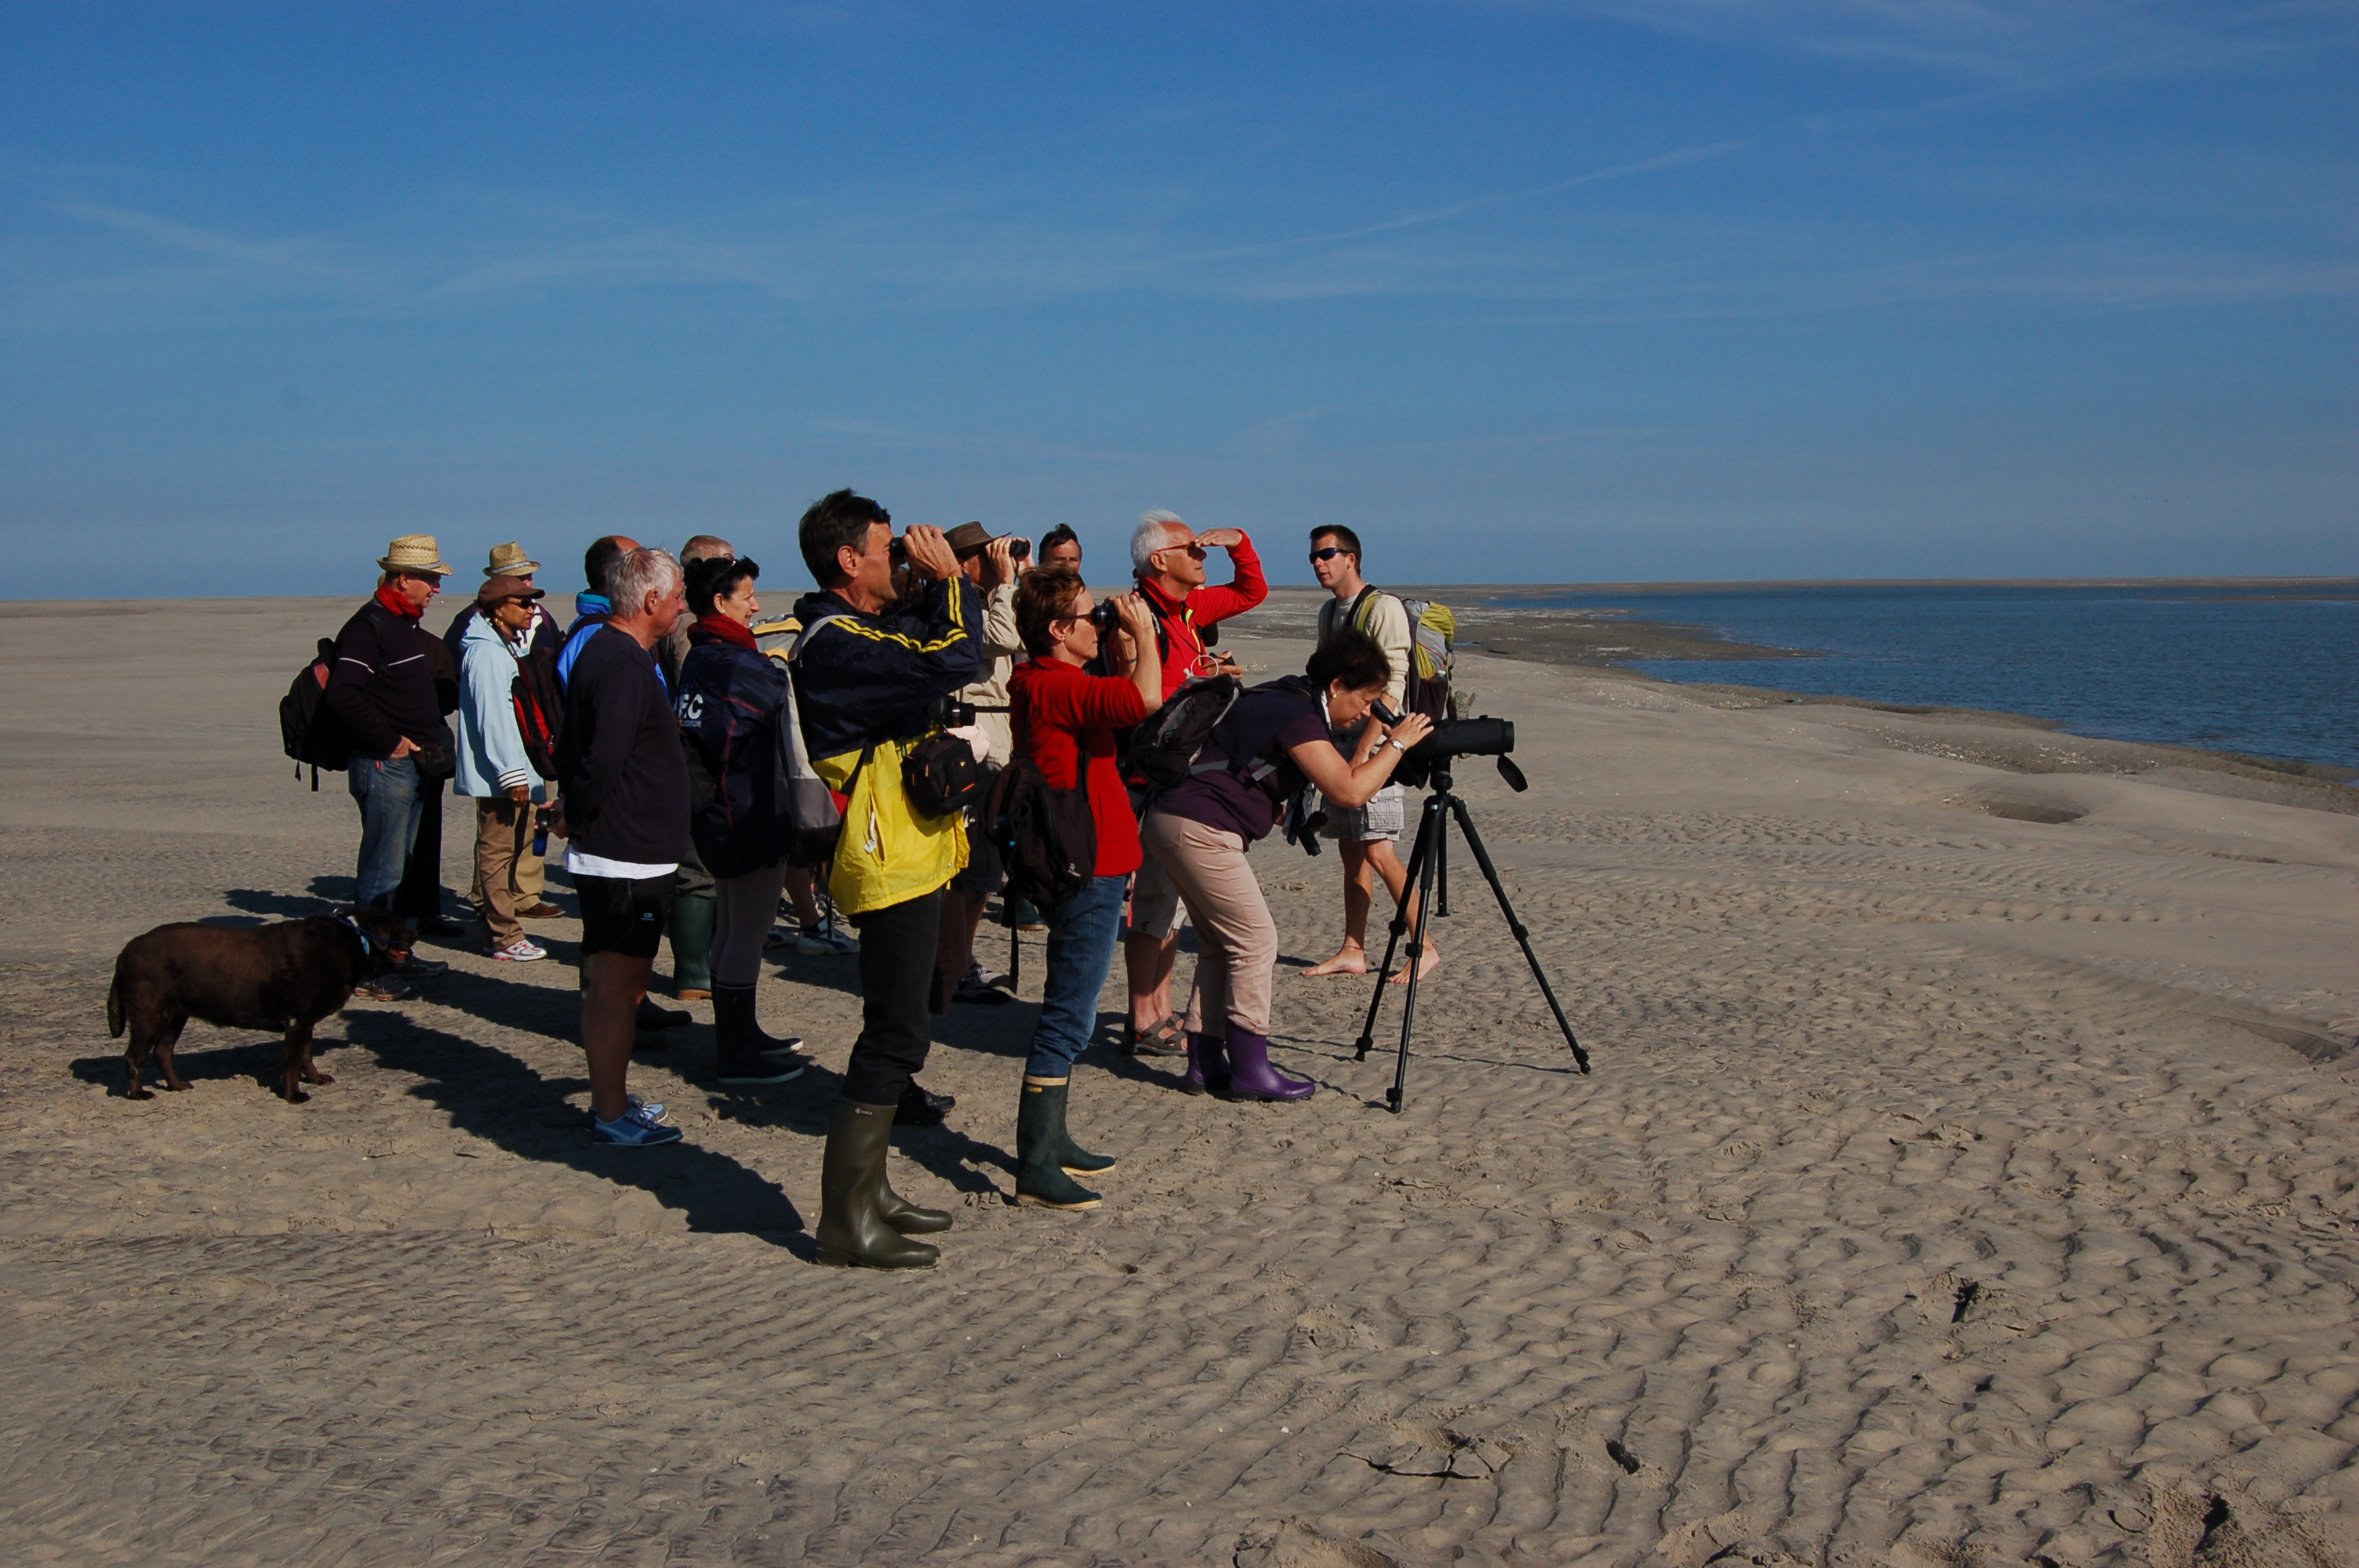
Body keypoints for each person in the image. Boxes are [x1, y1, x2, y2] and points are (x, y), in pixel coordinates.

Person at [790, 489, 980, 1269]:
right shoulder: (833, 640)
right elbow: (955, 656)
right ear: (846, 560)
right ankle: (844, 1217)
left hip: (911, 846)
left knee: (899, 1021)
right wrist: (949, 583)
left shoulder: (864, 629)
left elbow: (925, 650)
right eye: (883, 547)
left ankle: (871, 1193)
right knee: (894, 1031)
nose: (895, 559)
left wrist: (938, 582)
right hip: (883, 854)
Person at [1139, 626, 1430, 1102]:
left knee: (1219, 944)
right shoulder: (1297, 713)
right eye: (1366, 699)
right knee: (1257, 941)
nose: (1365, 713)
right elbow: (1350, 791)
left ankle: (1205, 1063)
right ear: (1337, 685)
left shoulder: (1285, 696)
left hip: (1173, 820)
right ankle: (1252, 1067)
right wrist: (1397, 744)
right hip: (1198, 828)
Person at [1004, 568, 1161, 1208]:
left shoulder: (1040, 681)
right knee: (1071, 1013)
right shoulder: (1056, 686)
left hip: (1092, 858)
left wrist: (1121, 643)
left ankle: (1054, 1140)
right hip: (1089, 865)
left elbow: (1122, 698)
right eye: (1088, 618)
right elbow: (1144, 702)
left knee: (1072, 1002)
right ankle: (1035, 1163)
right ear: (1057, 631)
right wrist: (1146, 633)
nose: (1100, 625)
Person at [554, 546, 692, 1147]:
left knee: (626, 984)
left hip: (633, 850)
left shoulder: (618, 654)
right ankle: (610, 1114)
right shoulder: (619, 661)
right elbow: (599, 758)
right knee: (617, 986)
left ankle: (614, 1099)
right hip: (621, 855)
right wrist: (576, 816)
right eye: (680, 595)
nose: (683, 606)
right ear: (653, 601)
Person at [1121, 510, 1267, 1056]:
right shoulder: (1139, 617)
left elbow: (1253, 590)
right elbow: (1143, 697)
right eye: (1192, 549)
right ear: (1160, 560)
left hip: (1185, 776)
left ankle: (1160, 1009)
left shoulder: (1187, 607)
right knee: (1152, 901)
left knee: (1173, 906)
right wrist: (1205, 678)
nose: (1201, 556)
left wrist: (1239, 541)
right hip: (1150, 778)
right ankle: (1143, 1017)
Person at [674, 552, 814, 1085]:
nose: (757, 606)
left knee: (731, 925)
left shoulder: (699, 655)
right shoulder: (736, 663)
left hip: (717, 812)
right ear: (719, 602)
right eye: (747, 596)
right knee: (747, 932)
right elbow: (776, 702)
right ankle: (736, 1051)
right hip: (747, 809)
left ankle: (741, 1032)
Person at [324, 535, 458, 1000]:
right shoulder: (369, 626)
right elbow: (342, 693)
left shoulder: (401, 623)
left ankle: (395, 954)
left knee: (399, 870)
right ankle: (367, 968)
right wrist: (392, 742)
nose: (436, 589)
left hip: (410, 768)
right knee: (381, 874)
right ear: (404, 579)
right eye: (430, 580)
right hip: (385, 767)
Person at [1302, 524, 1434, 985]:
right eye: (1314, 557)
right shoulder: (1328, 613)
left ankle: (1425, 946)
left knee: (1380, 850)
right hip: (1338, 748)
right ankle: (1353, 948)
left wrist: (1363, 754)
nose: (1320, 563)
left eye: (1328, 555)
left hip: (1380, 750)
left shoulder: (1384, 609)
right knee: (1351, 850)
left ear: (1351, 558)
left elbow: (1392, 691)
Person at [929, 523, 1025, 1013]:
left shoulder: (990, 600)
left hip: (996, 744)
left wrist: (1018, 581)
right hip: (971, 746)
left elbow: (1025, 636)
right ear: (966, 561)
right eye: (988, 556)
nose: (997, 563)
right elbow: (1003, 637)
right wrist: (1006, 582)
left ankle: (960, 960)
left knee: (984, 871)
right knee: (968, 871)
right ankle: (954, 964)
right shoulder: (957, 607)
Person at [445, 541, 565, 924]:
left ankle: (525, 893)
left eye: (529, 576)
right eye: (520, 580)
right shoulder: (476, 631)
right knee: (497, 835)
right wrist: (508, 768)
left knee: (531, 825)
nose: (529, 593)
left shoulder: (539, 617)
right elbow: (489, 707)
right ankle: (492, 908)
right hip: (504, 755)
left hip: (534, 744)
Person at [656, 534, 739, 1004]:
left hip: (689, 756)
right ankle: (694, 972)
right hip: (696, 759)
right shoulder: (692, 630)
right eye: (727, 563)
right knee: (697, 870)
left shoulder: (681, 623)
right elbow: (700, 699)